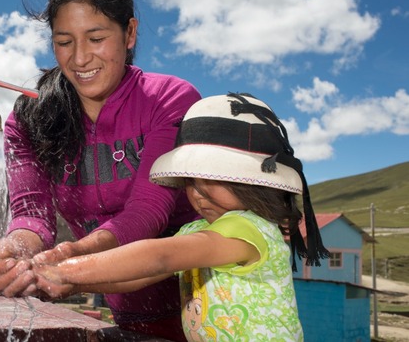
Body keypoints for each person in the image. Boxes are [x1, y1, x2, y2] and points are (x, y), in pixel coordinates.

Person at [0, 0, 201, 340]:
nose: (79, 58)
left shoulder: (169, 100)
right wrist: (8, 253)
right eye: (64, 42)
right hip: (129, 318)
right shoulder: (30, 121)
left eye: (96, 39)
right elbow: (31, 216)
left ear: (129, 33)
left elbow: (147, 215)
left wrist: (71, 260)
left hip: (207, 312)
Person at [33, 93, 330, 341]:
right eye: (190, 181)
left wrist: (64, 270)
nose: (198, 193)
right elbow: (143, 274)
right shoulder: (196, 229)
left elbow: (160, 257)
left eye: (212, 179)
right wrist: (74, 284)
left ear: (251, 182)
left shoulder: (250, 228)